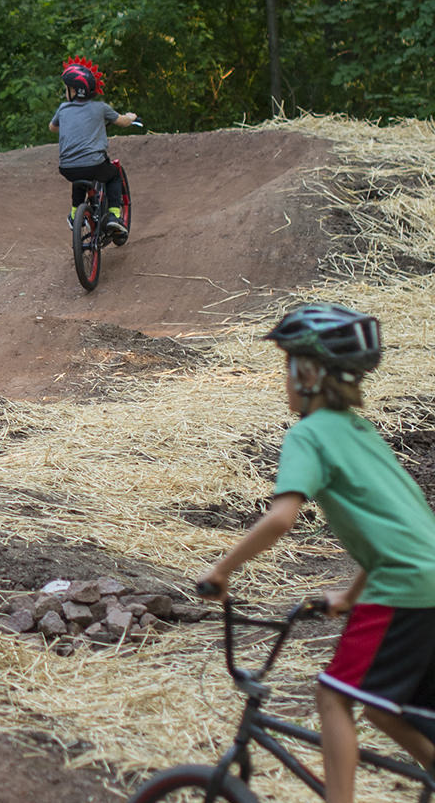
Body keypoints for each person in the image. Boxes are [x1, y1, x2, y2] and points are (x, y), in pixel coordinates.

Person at [199, 304, 435, 803]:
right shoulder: (360, 431)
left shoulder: (307, 435)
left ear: (308, 374)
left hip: (403, 588)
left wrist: (221, 570)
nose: (283, 378)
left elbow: (280, 518)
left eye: (287, 366)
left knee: (332, 696)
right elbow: (397, 530)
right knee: (382, 706)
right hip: (423, 579)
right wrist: (348, 596)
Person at [49, 56, 139, 243]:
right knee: (113, 175)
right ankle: (114, 215)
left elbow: (53, 128)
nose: (66, 92)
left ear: (75, 91)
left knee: (79, 176)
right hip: (95, 165)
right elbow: (122, 121)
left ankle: (75, 213)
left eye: (67, 88)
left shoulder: (63, 109)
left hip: (66, 168)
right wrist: (130, 117)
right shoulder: (100, 108)